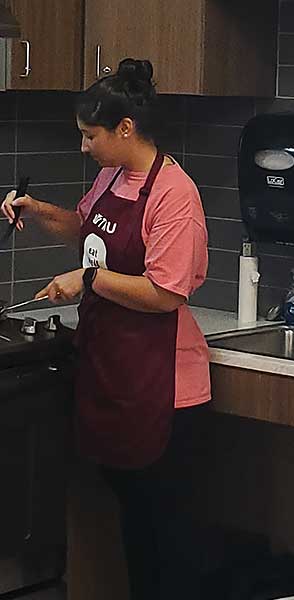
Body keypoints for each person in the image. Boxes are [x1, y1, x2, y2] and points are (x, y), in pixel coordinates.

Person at [1, 59, 210, 600]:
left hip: (162, 387)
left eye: (90, 136)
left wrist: (89, 280)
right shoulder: (111, 176)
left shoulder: (174, 195)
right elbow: (88, 230)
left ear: (125, 128)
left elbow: (165, 293)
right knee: (133, 525)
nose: (83, 147)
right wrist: (38, 211)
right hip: (114, 368)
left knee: (163, 535)